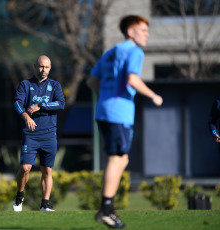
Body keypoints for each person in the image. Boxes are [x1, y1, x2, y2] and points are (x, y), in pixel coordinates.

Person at [87, 15, 163, 228]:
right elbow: (132, 79)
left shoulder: (110, 52)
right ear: (130, 32)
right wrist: (153, 95)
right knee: (117, 158)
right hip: (118, 113)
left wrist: (105, 98)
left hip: (104, 111)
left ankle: (106, 208)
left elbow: (92, 81)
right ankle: (106, 209)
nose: (147, 34)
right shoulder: (135, 51)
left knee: (122, 159)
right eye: (143, 30)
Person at [12, 55, 65, 212]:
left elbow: (61, 104)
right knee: (26, 167)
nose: (44, 70)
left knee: (47, 170)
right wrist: (27, 117)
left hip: (49, 134)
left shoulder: (55, 86)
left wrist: (40, 105)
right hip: (31, 134)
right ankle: (20, 194)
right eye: (41, 67)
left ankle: (44, 205)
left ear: (50, 68)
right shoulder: (25, 85)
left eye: (47, 67)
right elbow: (17, 103)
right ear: (35, 66)